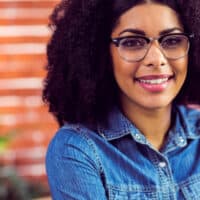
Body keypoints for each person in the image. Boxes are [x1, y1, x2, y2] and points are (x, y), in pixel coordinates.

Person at [43, 0, 200, 199]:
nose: (156, 59)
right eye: (132, 42)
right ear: (100, 53)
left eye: (172, 40)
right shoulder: (78, 149)